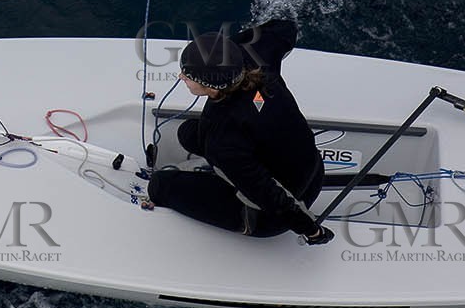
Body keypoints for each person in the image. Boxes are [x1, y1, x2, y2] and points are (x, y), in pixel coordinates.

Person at [141, 18, 334, 244]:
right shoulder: (254, 55)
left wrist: (311, 230)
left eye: (187, 76)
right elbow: (285, 28)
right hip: (314, 173)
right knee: (188, 133)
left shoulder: (223, 137)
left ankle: (235, 201)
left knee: (160, 185)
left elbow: (267, 193)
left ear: (212, 87)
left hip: (268, 214)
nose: (181, 77)